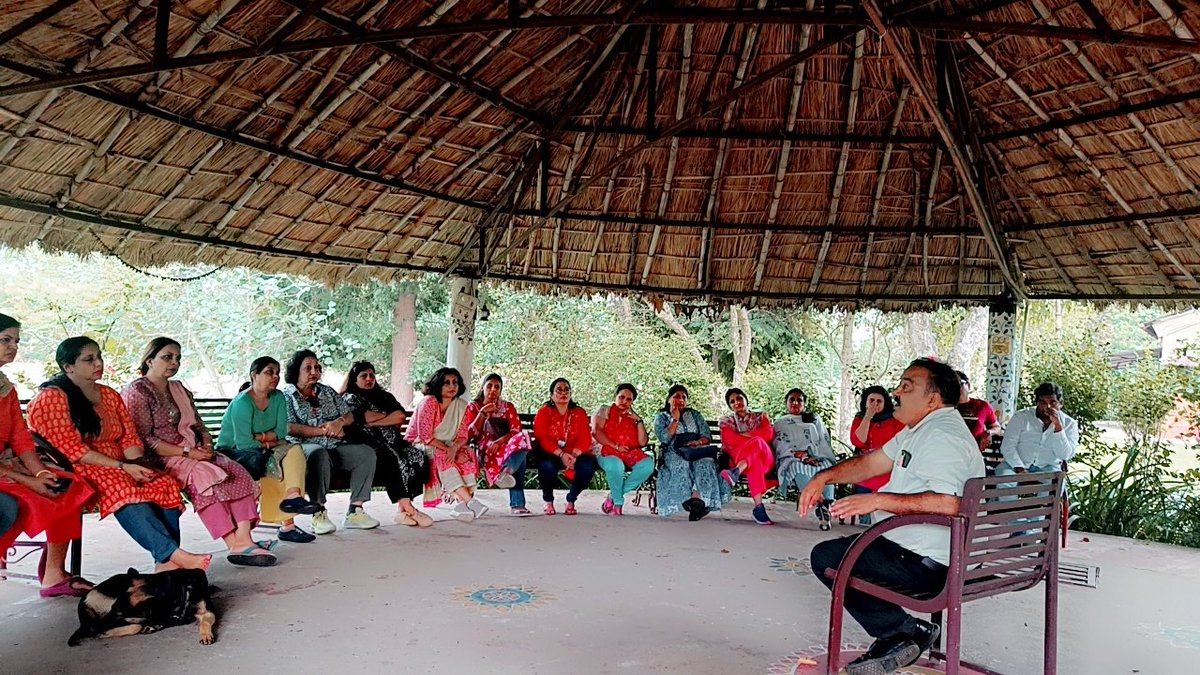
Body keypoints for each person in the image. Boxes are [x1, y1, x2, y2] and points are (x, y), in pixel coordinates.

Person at [800, 358, 985, 675]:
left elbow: (952, 505)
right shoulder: (921, 430)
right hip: (914, 550)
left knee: (829, 558)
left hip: (926, 564)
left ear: (932, 398)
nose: (896, 392)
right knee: (842, 552)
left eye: (907, 386)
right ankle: (901, 634)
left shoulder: (943, 436)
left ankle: (904, 632)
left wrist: (876, 501)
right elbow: (870, 465)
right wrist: (824, 478)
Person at [27, 337, 211, 572]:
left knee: (162, 482)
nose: (98, 363)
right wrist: (123, 468)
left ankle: (166, 566)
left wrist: (135, 465)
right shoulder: (52, 398)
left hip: (119, 461)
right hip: (78, 465)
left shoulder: (109, 394)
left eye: (99, 357)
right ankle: (170, 554)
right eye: (89, 359)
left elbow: (129, 437)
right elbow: (72, 449)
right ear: (68, 366)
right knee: (123, 487)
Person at [123, 337, 275, 567]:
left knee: (236, 472)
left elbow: (199, 425)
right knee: (205, 480)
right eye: (167, 357)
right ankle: (233, 542)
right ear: (149, 360)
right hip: (163, 457)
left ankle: (245, 540)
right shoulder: (138, 391)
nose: (174, 362)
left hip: (194, 451)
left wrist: (205, 444)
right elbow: (144, 439)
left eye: (177, 358)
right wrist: (188, 453)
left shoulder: (178, 388)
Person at [0, 314, 96, 597]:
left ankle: (54, 574)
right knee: (19, 503)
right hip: (5, 472)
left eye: (16, 341)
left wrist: (40, 472)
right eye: (5, 340)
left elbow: (20, 438)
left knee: (66, 485)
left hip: (8, 463)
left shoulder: (6, 388)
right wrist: (28, 481)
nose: (13, 347)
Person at [216, 356, 322, 544]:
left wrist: (260, 438)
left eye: (277, 373)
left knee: (294, 451)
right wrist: (269, 440)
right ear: (254, 375)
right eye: (269, 372)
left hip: (260, 451)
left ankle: (294, 497)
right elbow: (243, 444)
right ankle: (287, 526)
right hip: (233, 454)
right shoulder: (242, 402)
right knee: (274, 461)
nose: (275, 377)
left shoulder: (278, 397)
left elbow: (282, 432)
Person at [282, 350, 379, 533]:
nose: (314, 372)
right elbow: (289, 427)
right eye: (308, 368)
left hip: (334, 445)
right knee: (319, 453)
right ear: (296, 371)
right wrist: (323, 431)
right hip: (304, 449)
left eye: (317, 368)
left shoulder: (327, 391)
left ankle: (355, 511)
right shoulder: (286, 396)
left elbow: (348, 415)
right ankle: (318, 512)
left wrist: (339, 422)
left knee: (365, 453)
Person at [341, 361, 432, 527]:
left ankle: (401, 511)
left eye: (372, 376)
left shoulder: (384, 396)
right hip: (369, 444)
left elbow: (399, 416)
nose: (369, 379)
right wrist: (384, 416)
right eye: (364, 376)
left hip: (394, 441)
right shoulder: (350, 398)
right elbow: (362, 417)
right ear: (355, 379)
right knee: (393, 458)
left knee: (416, 456)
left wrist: (376, 421)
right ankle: (408, 508)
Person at [405, 367, 486, 521]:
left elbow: (462, 436)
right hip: (418, 444)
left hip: (446, 445)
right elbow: (425, 436)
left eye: (455, 382)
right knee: (442, 455)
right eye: (446, 383)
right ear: (437, 385)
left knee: (466, 453)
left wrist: (455, 449)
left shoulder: (461, 406)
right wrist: (450, 450)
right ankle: (470, 502)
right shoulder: (429, 402)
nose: (452, 386)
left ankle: (461, 506)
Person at [652, 384, 729, 521]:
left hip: (696, 449)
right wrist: (675, 419)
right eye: (676, 396)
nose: (680, 400)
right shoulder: (662, 417)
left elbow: (707, 435)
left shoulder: (694, 414)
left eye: (684, 397)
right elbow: (664, 438)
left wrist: (697, 443)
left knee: (705, 463)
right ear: (669, 399)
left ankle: (696, 500)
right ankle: (691, 503)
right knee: (681, 464)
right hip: (673, 450)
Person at [464, 373, 532, 516]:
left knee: (523, 438)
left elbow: (515, 430)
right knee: (521, 460)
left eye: (497, 387)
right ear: (483, 388)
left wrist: (500, 441)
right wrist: (482, 413)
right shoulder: (474, 407)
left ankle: (506, 473)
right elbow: (469, 435)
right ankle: (517, 504)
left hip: (506, 447)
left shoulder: (508, 407)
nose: (493, 390)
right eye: (489, 386)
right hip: (484, 448)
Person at [532, 378, 597, 515]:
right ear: (551, 395)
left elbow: (585, 437)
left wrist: (574, 455)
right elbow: (542, 437)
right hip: (551, 452)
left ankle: (571, 500)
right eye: (559, 390)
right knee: (547, 466)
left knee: (588, 466)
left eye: (566, 389)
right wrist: (561, 454)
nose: (563, 393)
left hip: (575, 453)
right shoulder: (544, 412)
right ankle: (548, 501)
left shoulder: (579, 413)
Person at [773, 388, 835, 529]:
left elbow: (823, 441)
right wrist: (797, 455)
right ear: (786, 403)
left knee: (826, 467)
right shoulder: (780, 423)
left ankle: (824, 504)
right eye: (792, 400)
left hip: (815, 455)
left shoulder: (814, 419)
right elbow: (780, 444)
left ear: (804, 404)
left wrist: (812, 455)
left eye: (799, 400)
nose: (795, 403)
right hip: (792, 457)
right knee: (797, 467)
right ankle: (820, 504)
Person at [591, 383, 653, 517]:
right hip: (606, 450)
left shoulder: (633, 417)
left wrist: (639, 421)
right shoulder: (604, 410)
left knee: (648, 465)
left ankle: (613, 496)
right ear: (615, 396)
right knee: (616, 465)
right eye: (621, 397)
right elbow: (596, 432)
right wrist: (616, 446)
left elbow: (642, 442)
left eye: (629, 399)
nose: (624, 401)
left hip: (629, 452)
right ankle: (618, 504)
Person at [718, 388, 776, 525]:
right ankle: (758, 508)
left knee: (758, 443)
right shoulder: (727, 420)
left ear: (745, 399)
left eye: (739, 398)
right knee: (754, 461)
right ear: (730, 406)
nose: (736, 402)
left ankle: (736, 472)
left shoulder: (760, 416)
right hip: (739, 458)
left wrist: (743, 436)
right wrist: (756, 434)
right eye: (732, 401)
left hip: (765, 458)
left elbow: (768, 434)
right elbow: (728, 440)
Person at [849, 386, 905, 524]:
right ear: (865, 402)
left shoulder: (894, 419)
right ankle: (866, 518)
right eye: (872, 400)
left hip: (888, 465)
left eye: (879, 401)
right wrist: (868, 417)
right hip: (867, 466)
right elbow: (858, 441)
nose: (875, 404)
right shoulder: (860, 418)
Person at [998, 382, 1079, 475]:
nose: (1047, 407)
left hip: (1047, 468)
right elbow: (1008, 446)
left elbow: (1065, 455)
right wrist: (1020, 470)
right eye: (1042, 402)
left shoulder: (1070, 424)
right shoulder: (1021, 417)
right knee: (1004, 480)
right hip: (1014, 466)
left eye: (1053, 403)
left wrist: (1058, 426)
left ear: (1060, 404)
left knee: (1054, 483)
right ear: (1037, 402)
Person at [954, 370, 1000, 449]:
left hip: (975, 453)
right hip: (951, 451)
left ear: (968, 385)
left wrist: (988, 432)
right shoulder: (944, 406)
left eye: (960, 384)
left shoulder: (983, 406)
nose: (956, 388)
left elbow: (996, 427)